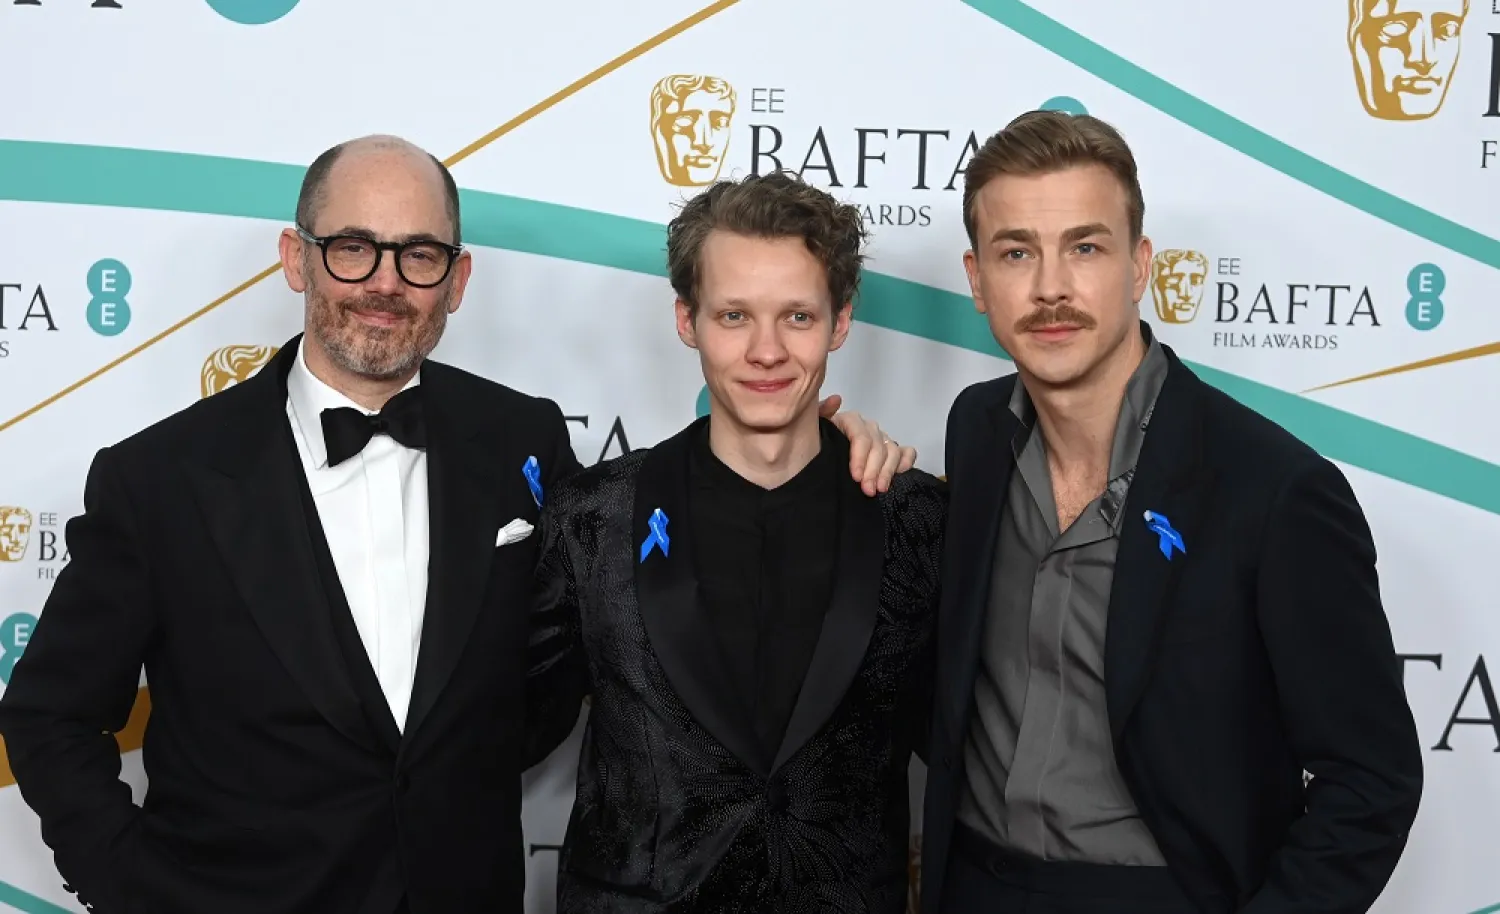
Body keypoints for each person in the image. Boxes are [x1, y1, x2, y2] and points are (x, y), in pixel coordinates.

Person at [0, 135, 914, 914]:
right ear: (295, 258)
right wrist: (132, 887)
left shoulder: (522, 439)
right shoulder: (160, 477)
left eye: (420, 254)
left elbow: (578, 654)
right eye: (353, 248)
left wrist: (833, 442)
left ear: (459, 277)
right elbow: (50, 716)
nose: (386, 283)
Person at [920, 110, 1424, 914]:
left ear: (1140, 266)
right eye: (1018, 252)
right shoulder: (976, 431)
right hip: (975, 887)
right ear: (978, 280)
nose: (1051, 287)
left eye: (1086, 247)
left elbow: (1371, 781)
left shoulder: (1275, 488)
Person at [523, 170, 947, 914]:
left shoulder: (918, 520)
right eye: (733, 316)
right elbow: (500, 729)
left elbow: (977, 749)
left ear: (840, 323)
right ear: (687, 320)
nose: (766, 351)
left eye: (797, 317)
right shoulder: (591, 518)